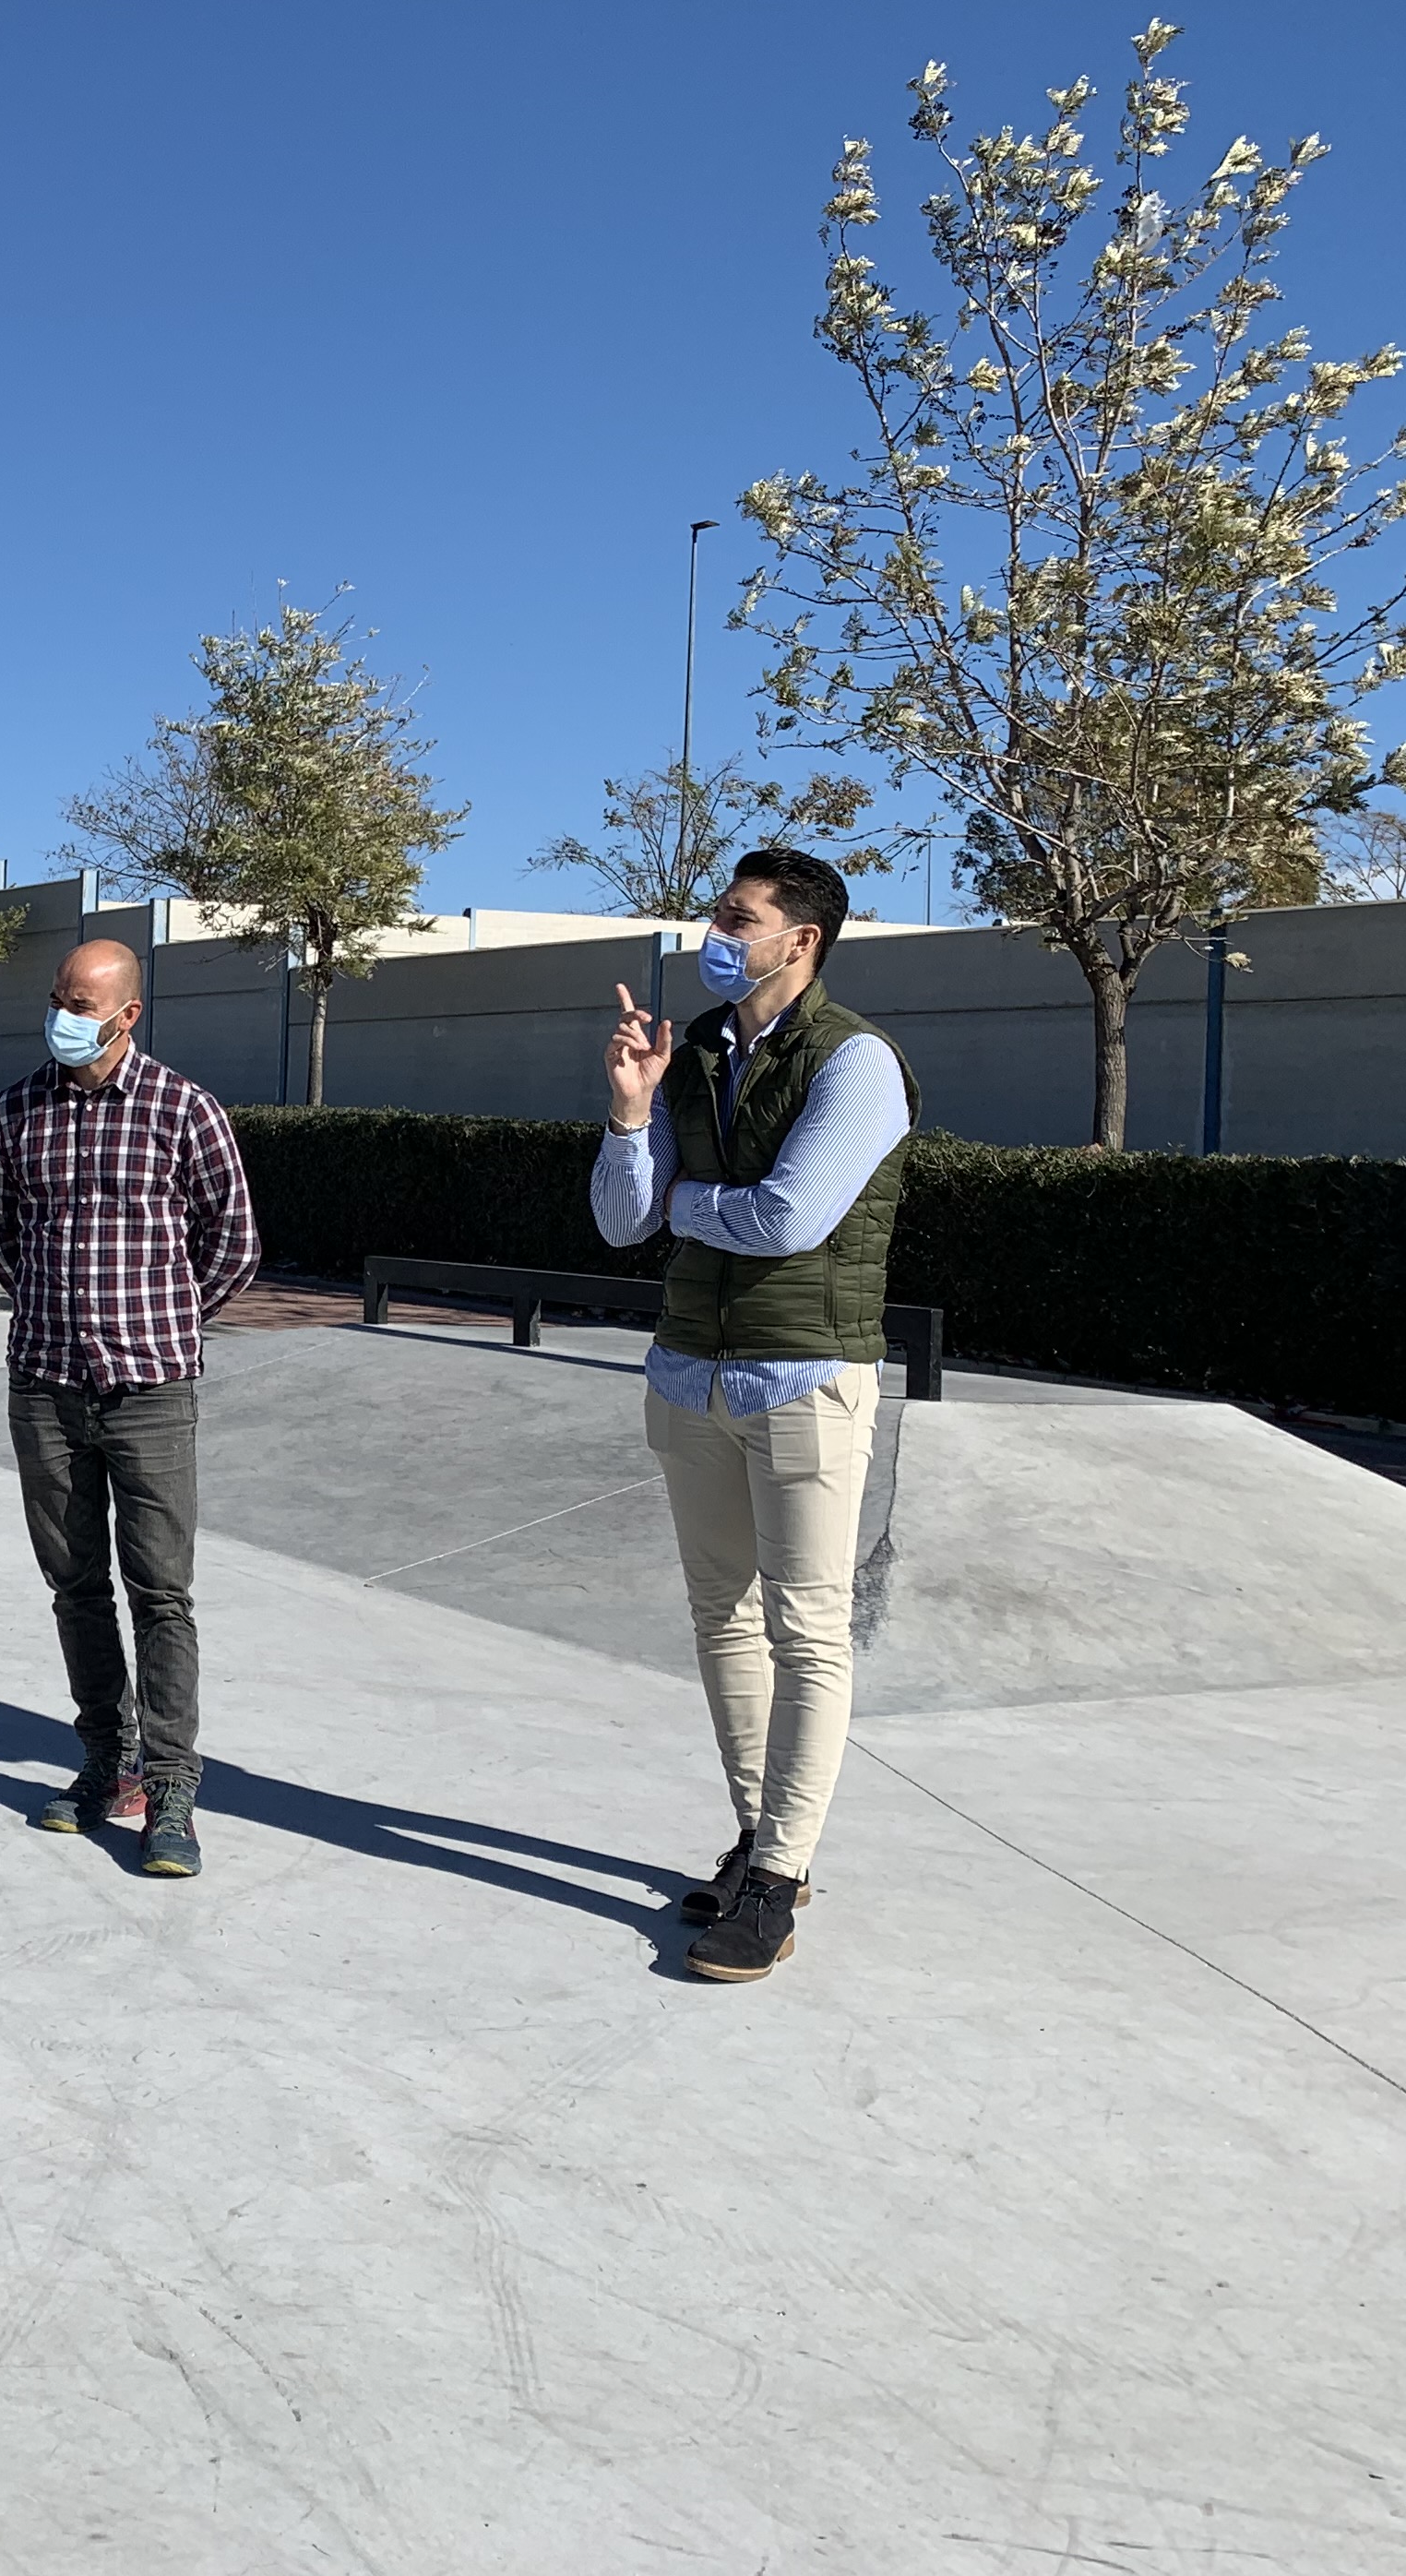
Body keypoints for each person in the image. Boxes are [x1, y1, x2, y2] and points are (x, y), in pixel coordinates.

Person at [594, 846, 918, 1985]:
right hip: (691, 1375)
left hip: (806, 1376)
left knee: (808, 1629)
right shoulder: (696, 1056)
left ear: (802, 941)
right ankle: (757, 1842)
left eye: (738, 917)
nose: (714, 933)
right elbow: (623, 1222)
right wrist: (633, 1112)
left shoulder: (857, 1061)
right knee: (719, 1616)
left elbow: (790, 1221)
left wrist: (687, 1201)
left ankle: (779, 1880)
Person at [0, 936, 260, 1879]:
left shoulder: (187, 1111)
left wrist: (164, 1322)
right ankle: (107, 1760)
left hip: (151, 1392)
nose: (64, 1011)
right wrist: (56, 1311)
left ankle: (172, 1781)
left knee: (161, 1592)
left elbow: (235, 1241)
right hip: (46, 1386)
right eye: (59, 994)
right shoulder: (15, 1112)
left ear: (128, 1013)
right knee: (76, 1588)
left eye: (83, 999)